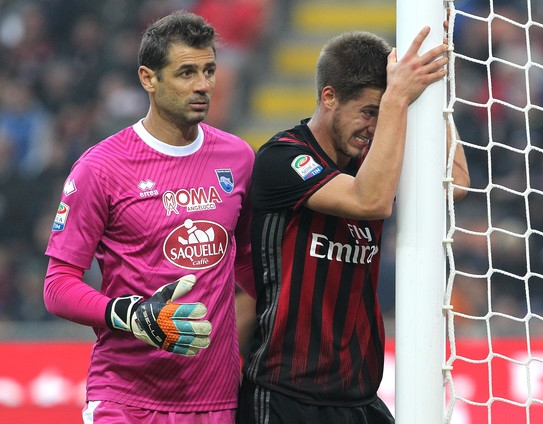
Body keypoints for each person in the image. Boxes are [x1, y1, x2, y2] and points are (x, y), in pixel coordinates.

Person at [236, 26, 470, 424]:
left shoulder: (373, 162)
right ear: (329, 97)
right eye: (368, 112)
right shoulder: (283, 157)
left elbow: (457, 182)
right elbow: (369, 200)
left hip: (359, 396)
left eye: (381, 112)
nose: (375, 127)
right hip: (285, 395)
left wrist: (431, 89)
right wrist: (396, 99)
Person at [43, 11, 255, 423]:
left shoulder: (239, 157)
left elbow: (246, 262)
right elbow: (58, 286)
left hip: (217, 400)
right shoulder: (100, 168)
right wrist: (128, 314)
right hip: (126, 399)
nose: (203, 85)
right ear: (148, 78)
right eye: (186, 73)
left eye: (209, 71)